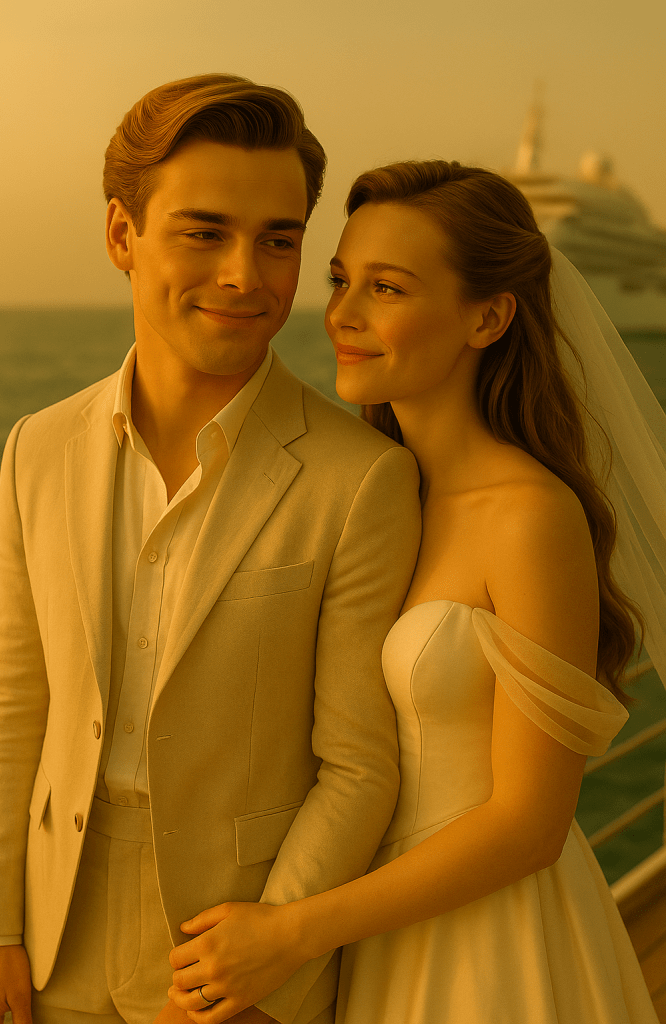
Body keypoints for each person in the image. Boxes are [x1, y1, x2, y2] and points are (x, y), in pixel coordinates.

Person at [164, 160, 662, 1023]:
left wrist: (286, 934)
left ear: (488, 316)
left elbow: (528, 825)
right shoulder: (373, 495)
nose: (344, 316)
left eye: (386, 288)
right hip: (372, 928)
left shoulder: (529, 516)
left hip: (487, 945)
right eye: (339, 280)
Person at [0, 78, 422, 1024]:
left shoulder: (360, 478)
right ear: (120, 236)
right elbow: (13, 699)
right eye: (203, 231)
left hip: (241, 956)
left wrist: (262, 956)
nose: (244, 275)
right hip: (46, 939)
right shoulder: (36, 447)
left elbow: (358, 764)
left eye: (278, 239)